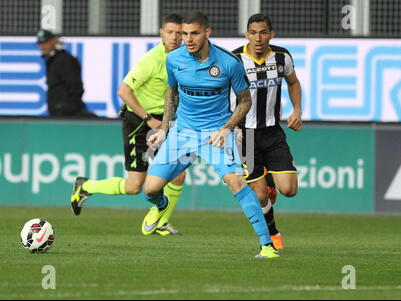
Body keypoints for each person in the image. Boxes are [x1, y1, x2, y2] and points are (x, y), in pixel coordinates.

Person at [143, 11, 279, 259]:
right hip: (182, 132)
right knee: (149, 190)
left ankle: (267, 245)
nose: (188, 39)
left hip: (216, 132)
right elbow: (171, 93)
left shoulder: (228, 63)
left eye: (194, 33)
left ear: (207, 32)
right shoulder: (173, 59)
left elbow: (245, 101)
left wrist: (227, 128)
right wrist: (164, 129)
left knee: (236, 182)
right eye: (184, 34)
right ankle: (161, 206)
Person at [70, 14, 186, 236]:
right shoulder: (151, 60)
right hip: (139, 122)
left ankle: (161, 222)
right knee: (134, 186)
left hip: (164, 123)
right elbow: (123, 91)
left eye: (179, 32)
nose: (175, 36)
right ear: (161, 32)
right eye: (170, 32)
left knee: (179, 173)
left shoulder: (183, 59)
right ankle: (85, 187)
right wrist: (148, 119)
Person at [231, 13, 302, 249]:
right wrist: (230, 126)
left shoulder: (282, 57)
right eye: (253, 33)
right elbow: (221, 94)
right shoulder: (235, 60)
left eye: (263, 32)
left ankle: (269, 178)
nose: (258, 38)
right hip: (245, 135)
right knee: (259, 196)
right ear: (246, 35)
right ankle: (273, 233)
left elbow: (293, 82)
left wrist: (297, 110)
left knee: (289, 190)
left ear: (271, 34)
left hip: (272, 132)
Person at [37, 29, 96, 117]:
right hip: (56, 111)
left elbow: (75, 86)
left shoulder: (65, 60)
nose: (42, 46)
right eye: (40, 44)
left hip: (68, 113)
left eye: (45, 43)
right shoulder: (51, 60)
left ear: (53, 41)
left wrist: (65, 107)